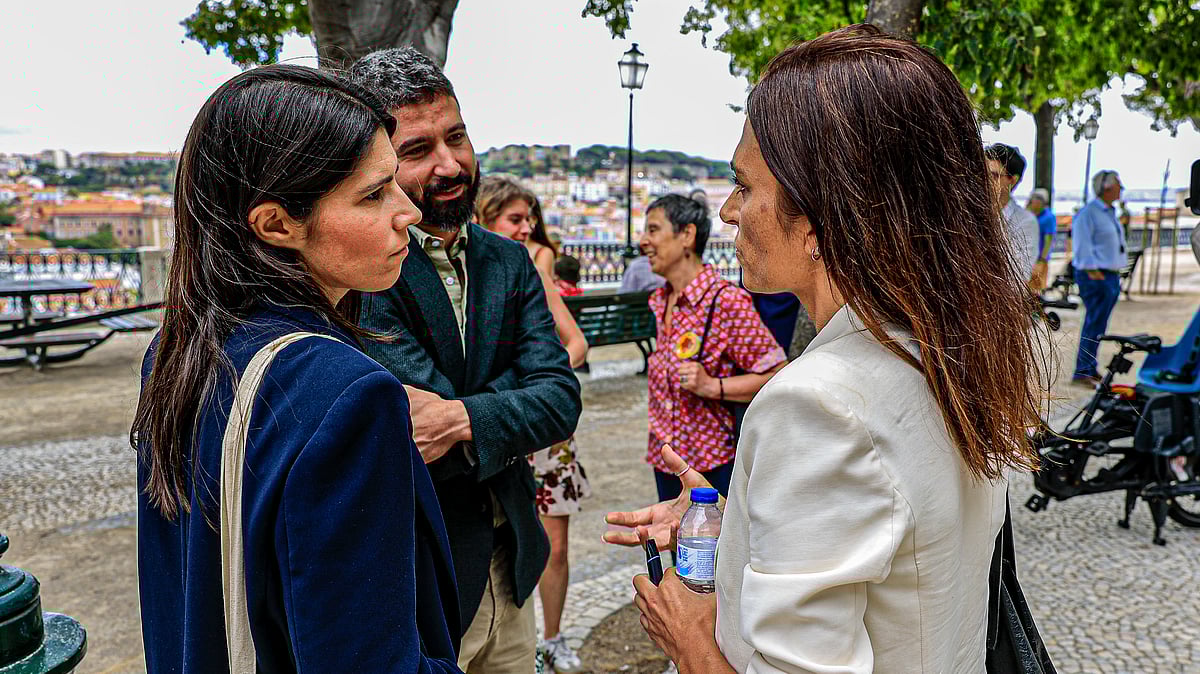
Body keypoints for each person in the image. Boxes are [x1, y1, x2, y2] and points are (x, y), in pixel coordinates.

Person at [605, 25, 1044, 673]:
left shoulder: (816, 406)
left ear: (816, 223)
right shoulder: (942, 354)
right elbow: (895, 552)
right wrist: (742, 528)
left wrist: (687, 638)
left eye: (746, 186)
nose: (728, 211)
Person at [133, 64, 460, 672]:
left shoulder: (176, 351)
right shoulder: (345, 394)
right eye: (373, 194)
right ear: (278, 224)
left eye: (395, 184)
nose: (407, 212)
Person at [349, 49, 582, 674]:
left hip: (513, 565)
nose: (450, 164)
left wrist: (459, 417)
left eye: (457, 137)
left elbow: (560, 398)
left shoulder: (508, 261)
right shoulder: (365, 272)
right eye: (419, 149)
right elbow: (408, 418)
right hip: (425, 574)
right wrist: (508, 403)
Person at [475, 175, 591, 673]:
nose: (527, 228)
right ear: (485, 219)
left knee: (556, 542)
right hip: (501, 430)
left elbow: (577, 343)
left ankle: (554, 636)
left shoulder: (532, 270)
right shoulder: (474, 279)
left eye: (530, 219)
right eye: (515, 219)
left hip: (543, 432)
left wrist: (538, 384)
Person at [639, 193, 787, 500]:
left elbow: (777, 373)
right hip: (666, 460)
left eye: (653, 230)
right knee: (674, 545)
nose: (643, 241)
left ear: (687, 236)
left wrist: (712, 386)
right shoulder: (661, 300)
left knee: (710, 547)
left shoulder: (725, 302)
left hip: (710, 465)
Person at [1072, 169, 1127, 385]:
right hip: (1096, 276)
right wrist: (1093, 272)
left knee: (1099, 324)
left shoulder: (1108, 212)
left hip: (1108, 276)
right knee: (1094, 322)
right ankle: (1083, 370)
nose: (1121, 189)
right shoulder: (1089, 213)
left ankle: (1088, 366)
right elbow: (1082, 245)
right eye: (1118, 185)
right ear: (1106, 187)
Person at [986, 143, 1039, 281]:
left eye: (993, 175)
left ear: (1012, 180)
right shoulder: (968, 214)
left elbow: (1018, 279)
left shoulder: (1025, 222)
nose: (984, 180)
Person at [1027, 187, 1057, 290]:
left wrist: (1042, 260)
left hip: (1039, 259)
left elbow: (1049, 241)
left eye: (1036, 200)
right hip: (1027, 257)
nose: (1033, 203)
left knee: (1037, 288)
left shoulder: (1048, 217)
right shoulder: (1030, 213)